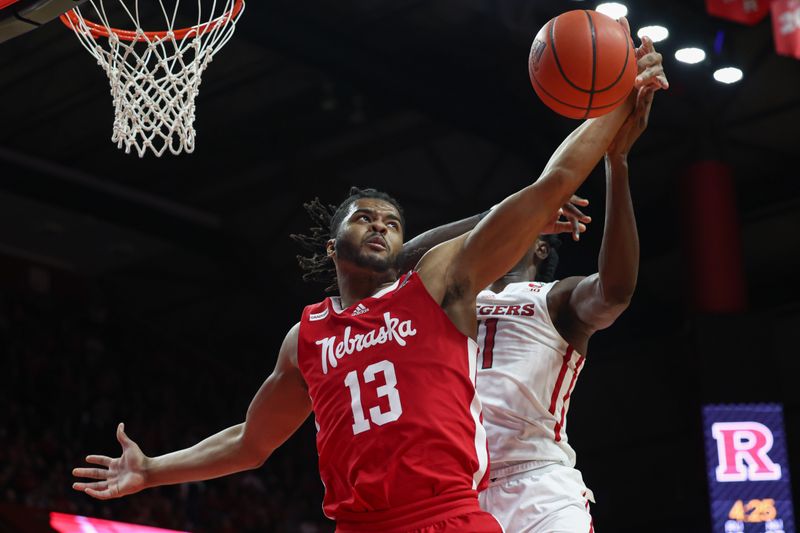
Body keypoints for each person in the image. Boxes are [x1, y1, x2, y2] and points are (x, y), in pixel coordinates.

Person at [72, 27, 666, 533]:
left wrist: (616, 104)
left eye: (392, 222)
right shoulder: (305, 338)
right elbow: (252, 442)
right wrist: (152, 469)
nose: (381, 226)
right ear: (333, 246)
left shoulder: (437, 288)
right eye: (365, 217)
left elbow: (553, 182)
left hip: (452, 514)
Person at [398, 41, 663, 532]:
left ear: (541, 248)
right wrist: (504, 214)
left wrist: (617, 164)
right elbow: (403, 261)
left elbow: (617, 292)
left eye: (523, 228)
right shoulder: (449, 295)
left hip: (538, 483)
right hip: (455, 490)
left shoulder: (555, 299)